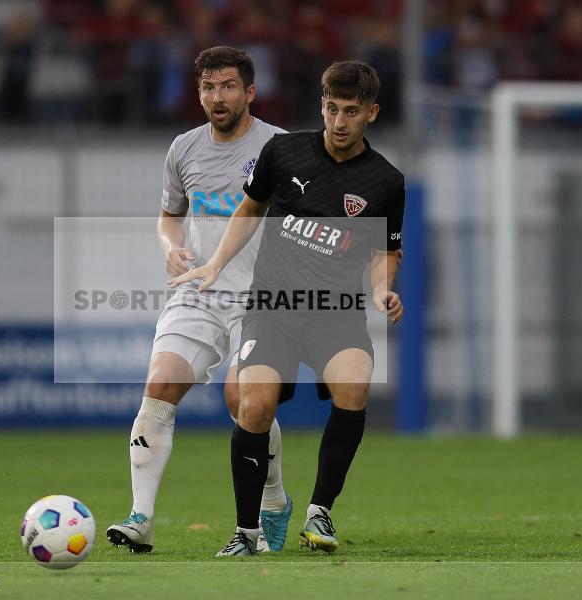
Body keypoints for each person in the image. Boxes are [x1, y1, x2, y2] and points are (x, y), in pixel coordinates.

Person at [172, 60, 405, 556]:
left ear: (372, 113)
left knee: (355, 381)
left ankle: (320, 514)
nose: (339, 122)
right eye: (331, 108)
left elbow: (386, 249)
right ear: (321, 105)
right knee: (254, 405)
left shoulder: (385, 181)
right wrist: (215, 264)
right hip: (272, 307)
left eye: (351, 112)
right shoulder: (283, 152)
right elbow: (250, 208)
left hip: (335, 311)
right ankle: (247, 533)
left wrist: (384, 287)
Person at [106, 46, 292, 554]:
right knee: (160, 384)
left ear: (250, 92)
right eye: (208, 87)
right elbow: (169, 215)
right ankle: (140, 518)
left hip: (263, 297)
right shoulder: (182, 150)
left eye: (228, 86)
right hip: (201, 290)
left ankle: (273, 500)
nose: (217, 96)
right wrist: (171, 248)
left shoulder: (280, 147)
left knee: (243, 400)